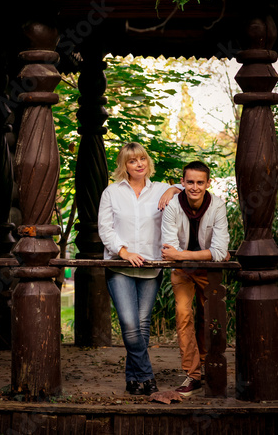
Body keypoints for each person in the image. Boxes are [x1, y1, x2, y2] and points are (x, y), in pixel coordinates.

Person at [98, 142, 182, 396]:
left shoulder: (160, 190)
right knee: (129, 323)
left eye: (143, 159)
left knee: (142, 325)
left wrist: (174, 188)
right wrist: (123, 251)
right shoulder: (111, 193)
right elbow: (105, 229)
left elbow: (189, 189)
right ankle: (147, 376)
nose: (139, 164)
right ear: (125, 166)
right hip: (120, 266)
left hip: (151, 266)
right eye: (133, 161)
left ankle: (133, 380)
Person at [161, 160, 229, 397]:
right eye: (190, 182)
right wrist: (181, 256)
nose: (195, 187)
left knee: (210, 316)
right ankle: (193, 374)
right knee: (183, 314)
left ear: (208, 183)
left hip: (208, 272)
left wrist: (181, 254)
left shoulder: (217, 207)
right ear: (183, 182)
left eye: (200, 182)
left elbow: (220, 254)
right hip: (182, 271)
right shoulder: (172, 207)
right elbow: (169, 250)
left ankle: (209, 365)